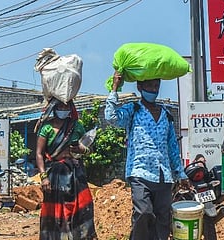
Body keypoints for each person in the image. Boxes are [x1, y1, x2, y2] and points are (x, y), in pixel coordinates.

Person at [104, 73, 190, 240]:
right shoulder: (133, 110)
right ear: (139, 87)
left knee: (163, 218)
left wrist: (180, 173)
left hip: (163, 175)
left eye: (156, 86)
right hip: (140, 173)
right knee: (143, 212)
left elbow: (172, 146)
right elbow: (111, 117)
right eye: (149, 86)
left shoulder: (166, 114)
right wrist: (114, 88)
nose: (153, 90)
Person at [35, 98, 97, 240]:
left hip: (75, 173)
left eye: (66, 106)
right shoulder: (46, 127)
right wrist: (43, 177)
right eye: (60, 106)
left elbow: (90, 148)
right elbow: (39, 153)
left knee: (82, 207)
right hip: (54, 175)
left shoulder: (76, 126)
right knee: (56, 211)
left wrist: (82, 149)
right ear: (54, 107)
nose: (63, 109)